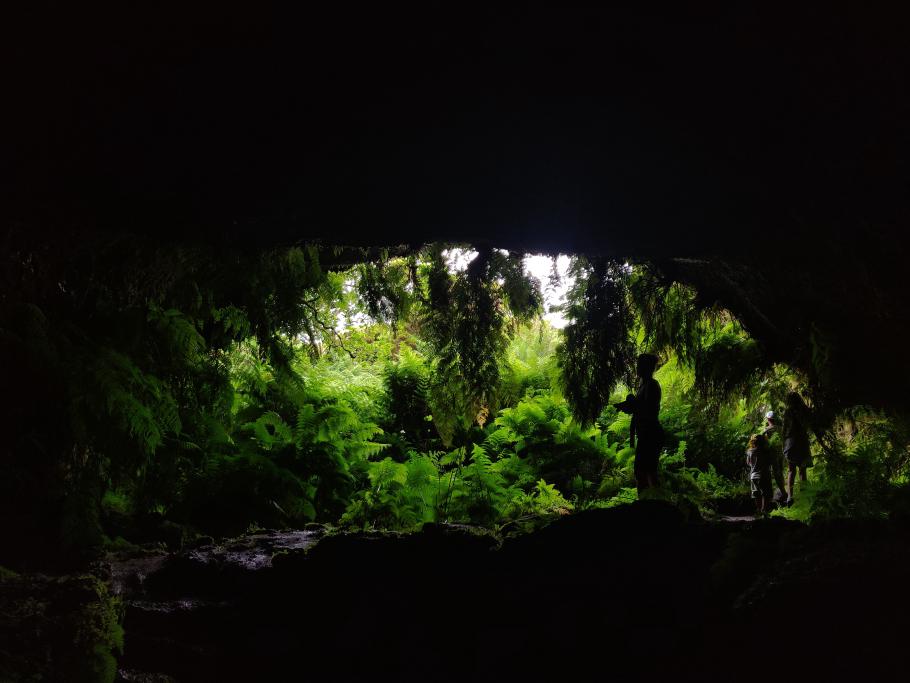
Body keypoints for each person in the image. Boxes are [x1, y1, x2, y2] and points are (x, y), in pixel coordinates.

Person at [616, 353, 663, 493]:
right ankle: (651, 503)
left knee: (646, 472)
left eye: (639, 365)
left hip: (651, 433)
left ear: (646, 367)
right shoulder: (644, 385)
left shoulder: (652, 385)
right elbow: (642, 408)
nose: (637, 367)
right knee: (644, 471)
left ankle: (652, 504)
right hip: (647, 433)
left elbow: (649, 409)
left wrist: (631, 405)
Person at [782, 391, 812, 504]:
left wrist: (783, 443)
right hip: (802, 441)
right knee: (802, 470)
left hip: (791, 442)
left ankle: (790, 496)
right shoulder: (804, 410)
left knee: (791, 470)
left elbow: (784, 429)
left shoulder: (788, 411)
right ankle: (804, 495)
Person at [761, 410, 788, 505]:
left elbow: (764, 445)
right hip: (782, 453)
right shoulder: (781, 429)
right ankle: (783, 491)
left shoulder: (766, 431)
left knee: (776, 474)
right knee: (780, 472)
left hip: (772, 455)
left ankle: (783, 493)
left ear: (768, 419)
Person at [746, 433, 773, 515]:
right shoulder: (766, 451)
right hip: (764, 475)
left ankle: (759, 510)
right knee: (766, 493)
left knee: (756, 494)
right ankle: (764, 510)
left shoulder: (750, 451)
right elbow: (770, 462)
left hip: (753, 476)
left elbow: (748, 463)